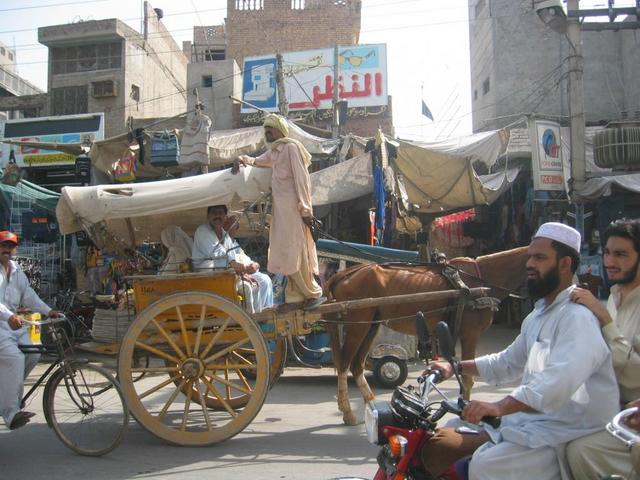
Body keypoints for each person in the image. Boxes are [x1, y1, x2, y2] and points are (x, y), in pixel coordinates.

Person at [420, 222, 620, 480]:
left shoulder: (577, 318)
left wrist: (499, 407)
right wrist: (455, 367)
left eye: (540, 258)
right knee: (452, 429)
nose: (530, 264)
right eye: (530, 257)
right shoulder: (540, 314)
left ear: (565, 264)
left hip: (567, 429)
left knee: (485, 465)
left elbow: (554, 385)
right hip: (537, 423)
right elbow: (507, 362)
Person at [567, 218, 640, 480]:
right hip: (606, 407)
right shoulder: (614, 295)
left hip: (632, 415)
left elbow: (633, 374)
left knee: (580, 450)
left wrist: (605, 321)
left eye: (621, 254)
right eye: (607, 252)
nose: (610, 261)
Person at [232, 114, 326, 311]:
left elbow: (302, 181)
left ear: (280, 131)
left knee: (294, 252)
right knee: (284, 254)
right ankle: (295, 298)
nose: (267, 132)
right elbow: (256, 161)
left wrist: (306, 210)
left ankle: (313, 293)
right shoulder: (274, 152)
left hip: (294, 212)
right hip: (281, 213)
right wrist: (242, 159)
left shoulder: (291, 148)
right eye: (265, 129)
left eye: (270, 128)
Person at [0, 230, 60, 430]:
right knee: (15, 359)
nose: (6, 250)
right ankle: (10, 413)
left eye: (10, 246)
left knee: (34, 353)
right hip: (2, 326)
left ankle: (8, 394)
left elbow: (28, 295)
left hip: (15, 326)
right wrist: (9, 316)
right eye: (3, 246)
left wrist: (48, 310)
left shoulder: (17, 271)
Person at [192, 205, 272, 313]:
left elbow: (232, 256)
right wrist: (238, 268)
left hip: (224, 273)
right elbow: (217, 253)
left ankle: (256, 319)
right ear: (208, 216)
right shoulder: (202, 231)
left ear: (225, 216)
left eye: (220, 213)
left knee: (253, 285)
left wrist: (243, 273)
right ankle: (250, 321)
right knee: (247, 287)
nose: (217, 216)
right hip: (207, 275)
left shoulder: (225, 236)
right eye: (214, 213)